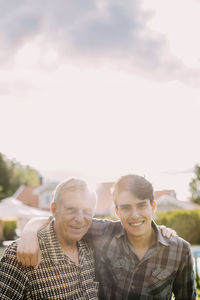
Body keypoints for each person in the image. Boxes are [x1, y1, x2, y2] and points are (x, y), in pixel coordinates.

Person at [16, 174, 196, 299]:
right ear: (117, 211)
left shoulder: (180, 250)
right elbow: (61, 219)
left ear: (153, 206)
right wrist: (29, 231)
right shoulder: (104, 232)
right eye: (125, 207)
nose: (134, 215)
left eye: (141, 206)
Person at [0, 178, 99, 299]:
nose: (79, 218)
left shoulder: (91, 247)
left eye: (87, 211)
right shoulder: (20, 254)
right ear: (54, 209)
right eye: (70, 209)